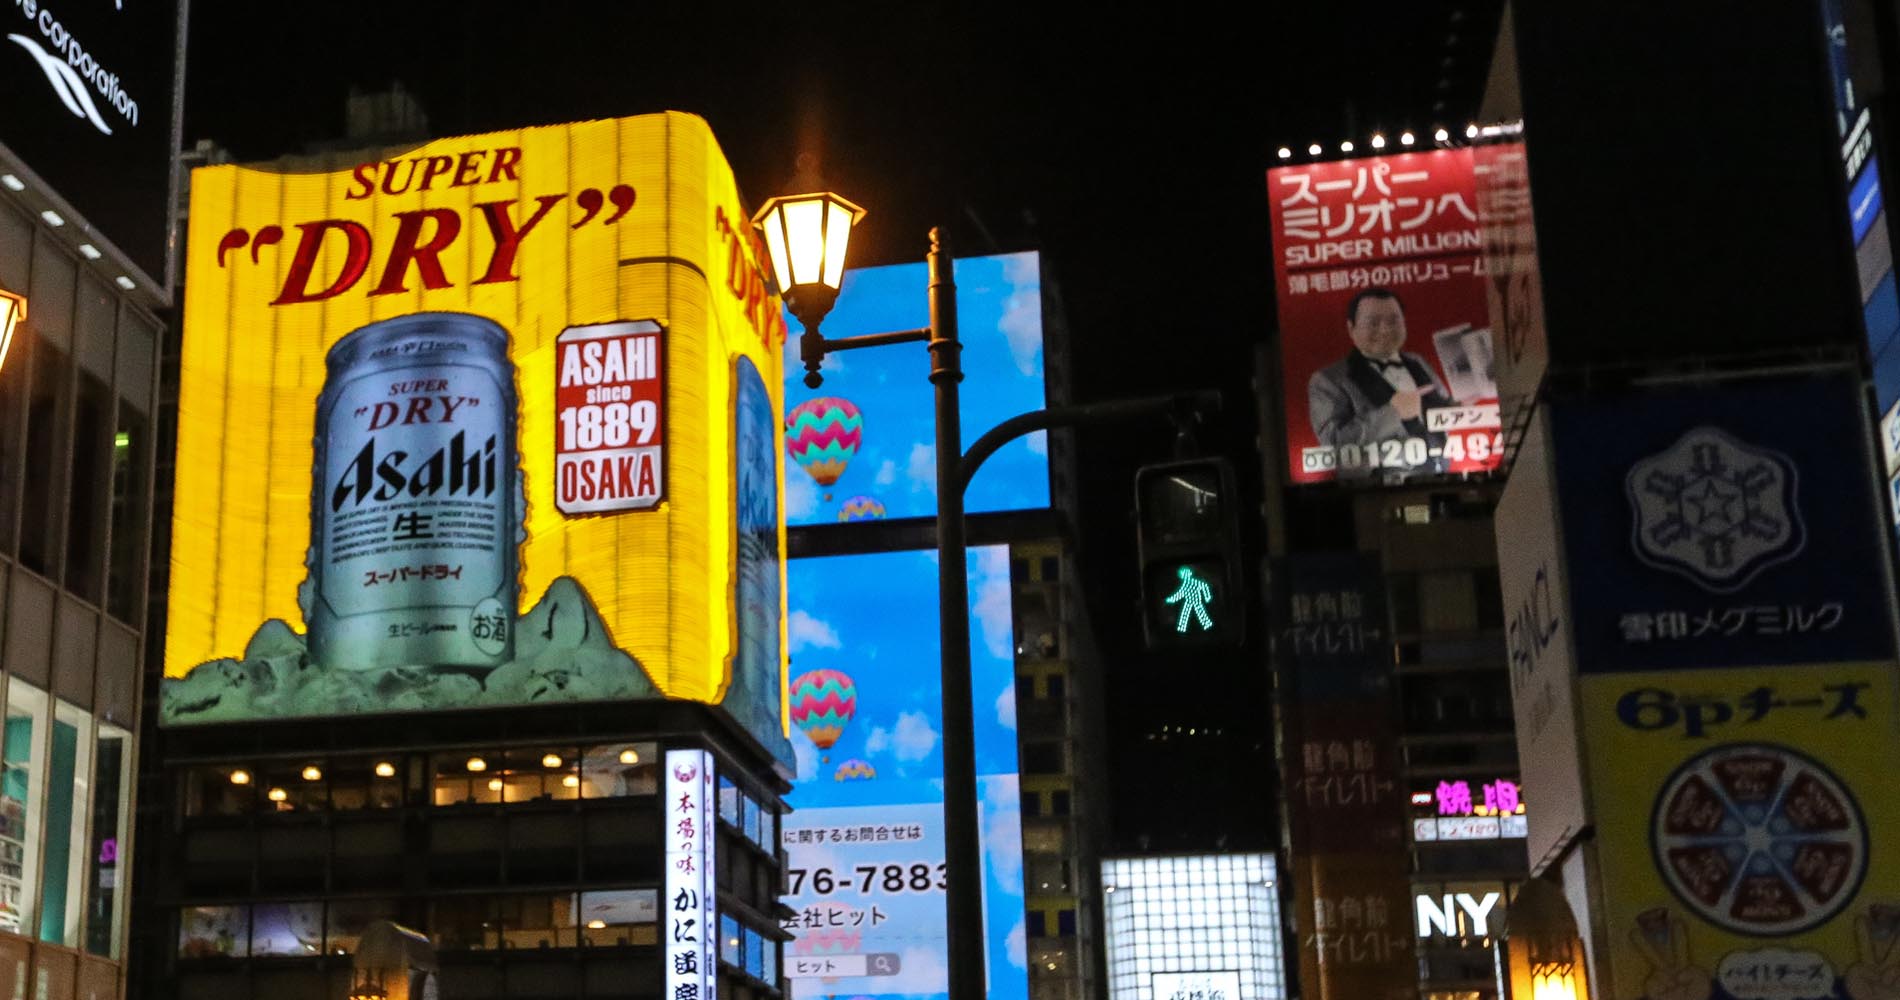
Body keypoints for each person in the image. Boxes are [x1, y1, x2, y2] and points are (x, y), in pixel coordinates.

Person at [1307, 287, 1452, 474]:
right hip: (1378, 488)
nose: (1385, 330)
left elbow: (1444, 411)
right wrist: (1393, 413)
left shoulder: (1417, 361)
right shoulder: (1327, 380)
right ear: (1351, 328)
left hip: (1443, 476)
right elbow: (1333, 445)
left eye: (1393, 321)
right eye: (1373, 323)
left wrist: (1462, 408)